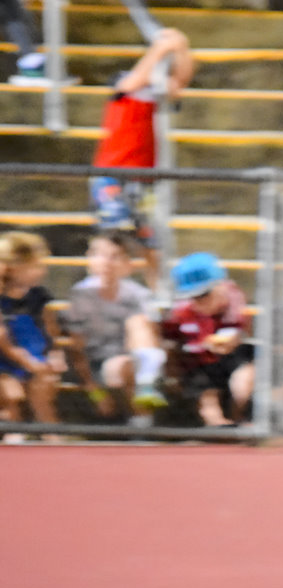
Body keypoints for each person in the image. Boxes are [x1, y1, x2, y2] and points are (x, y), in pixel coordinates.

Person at [90, 27, 194, 293]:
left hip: (143, 180)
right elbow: (134, 81)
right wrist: (160, 48)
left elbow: (180, 80)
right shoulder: (124, 95)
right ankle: (103, 290)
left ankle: (160, 294)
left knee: (152, 240)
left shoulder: (154, 101)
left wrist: (181, 47)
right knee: (111, 237)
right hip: (112, 176)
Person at [62, 231, 168, 420]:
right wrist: (94, 391)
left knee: (138, 325)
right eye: (99, 255)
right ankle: (140, 415)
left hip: (131, 360)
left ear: (127, 265)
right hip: (97, 365)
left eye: (115, 257)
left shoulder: (138, 295)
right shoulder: (81, 296)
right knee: (117, 367)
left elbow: (153, 335)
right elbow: (77, 350)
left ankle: (146, 388)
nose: (106, 263)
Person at [160, 252, 255, 427]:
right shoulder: (181, 312)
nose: (199, 302)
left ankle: (240, 418)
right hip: (198, 366)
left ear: (222, 285)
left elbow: (236, 334)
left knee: (244, 378)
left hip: (229, 361)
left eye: (205, 294)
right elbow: (169, 340)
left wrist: (230, 340)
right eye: (194, 297)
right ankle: (217, 423)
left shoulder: (233, 300)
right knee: (206, 392)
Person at [0, 232, 65, 432]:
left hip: (35, 357)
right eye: (36, 266)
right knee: (11, 395)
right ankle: (13, 437)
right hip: (6, 359)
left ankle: (52, 437)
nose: (43, 271)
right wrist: (27, 362)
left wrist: (54, 355)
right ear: (14, 267)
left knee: (43, 387)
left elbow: (50, 330)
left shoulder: (38, 296)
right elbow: (3, 339)